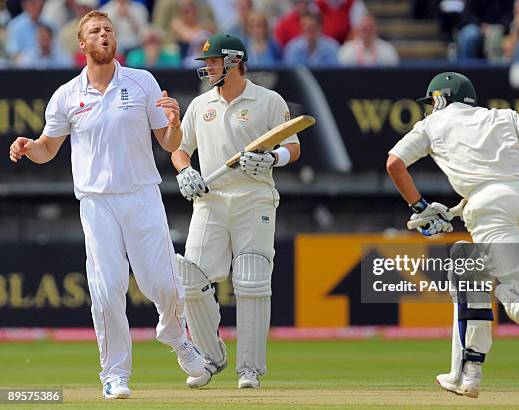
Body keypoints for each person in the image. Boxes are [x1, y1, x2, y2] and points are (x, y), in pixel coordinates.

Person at [8, 10, 206, 400]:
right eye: (96, 31)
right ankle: (114, 373)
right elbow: (49, 148)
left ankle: (173, 332)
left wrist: (175, 124)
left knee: (164, 284)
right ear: (82, 44)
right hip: (97, 203)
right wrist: (30, 148)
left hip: (142, 196)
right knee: (107, 287)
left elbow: (167, 143)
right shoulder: (67, 95)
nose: (104, 34)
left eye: (109, 30)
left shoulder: (142, 80)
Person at [386, 72, 519, 398]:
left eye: (431, 102)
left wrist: (419, 206)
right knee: (466, 266)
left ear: (443, 98)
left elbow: (394, 163)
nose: (430, 108)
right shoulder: (501, 116)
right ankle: (468, 371)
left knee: (516, 298)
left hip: (490, 208)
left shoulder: (433, 124)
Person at [170, 33, 300, 389]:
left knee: (252, 279)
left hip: (253, 197)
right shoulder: (201, 105)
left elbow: (293, 146)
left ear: (233, 61)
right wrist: (185, 171)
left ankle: (250, 368)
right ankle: (210, 358)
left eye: (213, 61)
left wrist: (272, 158)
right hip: (210, 200)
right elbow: (179, 149)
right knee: (190, 279)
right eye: (206, 62)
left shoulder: (268, 100)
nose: (208, 67)